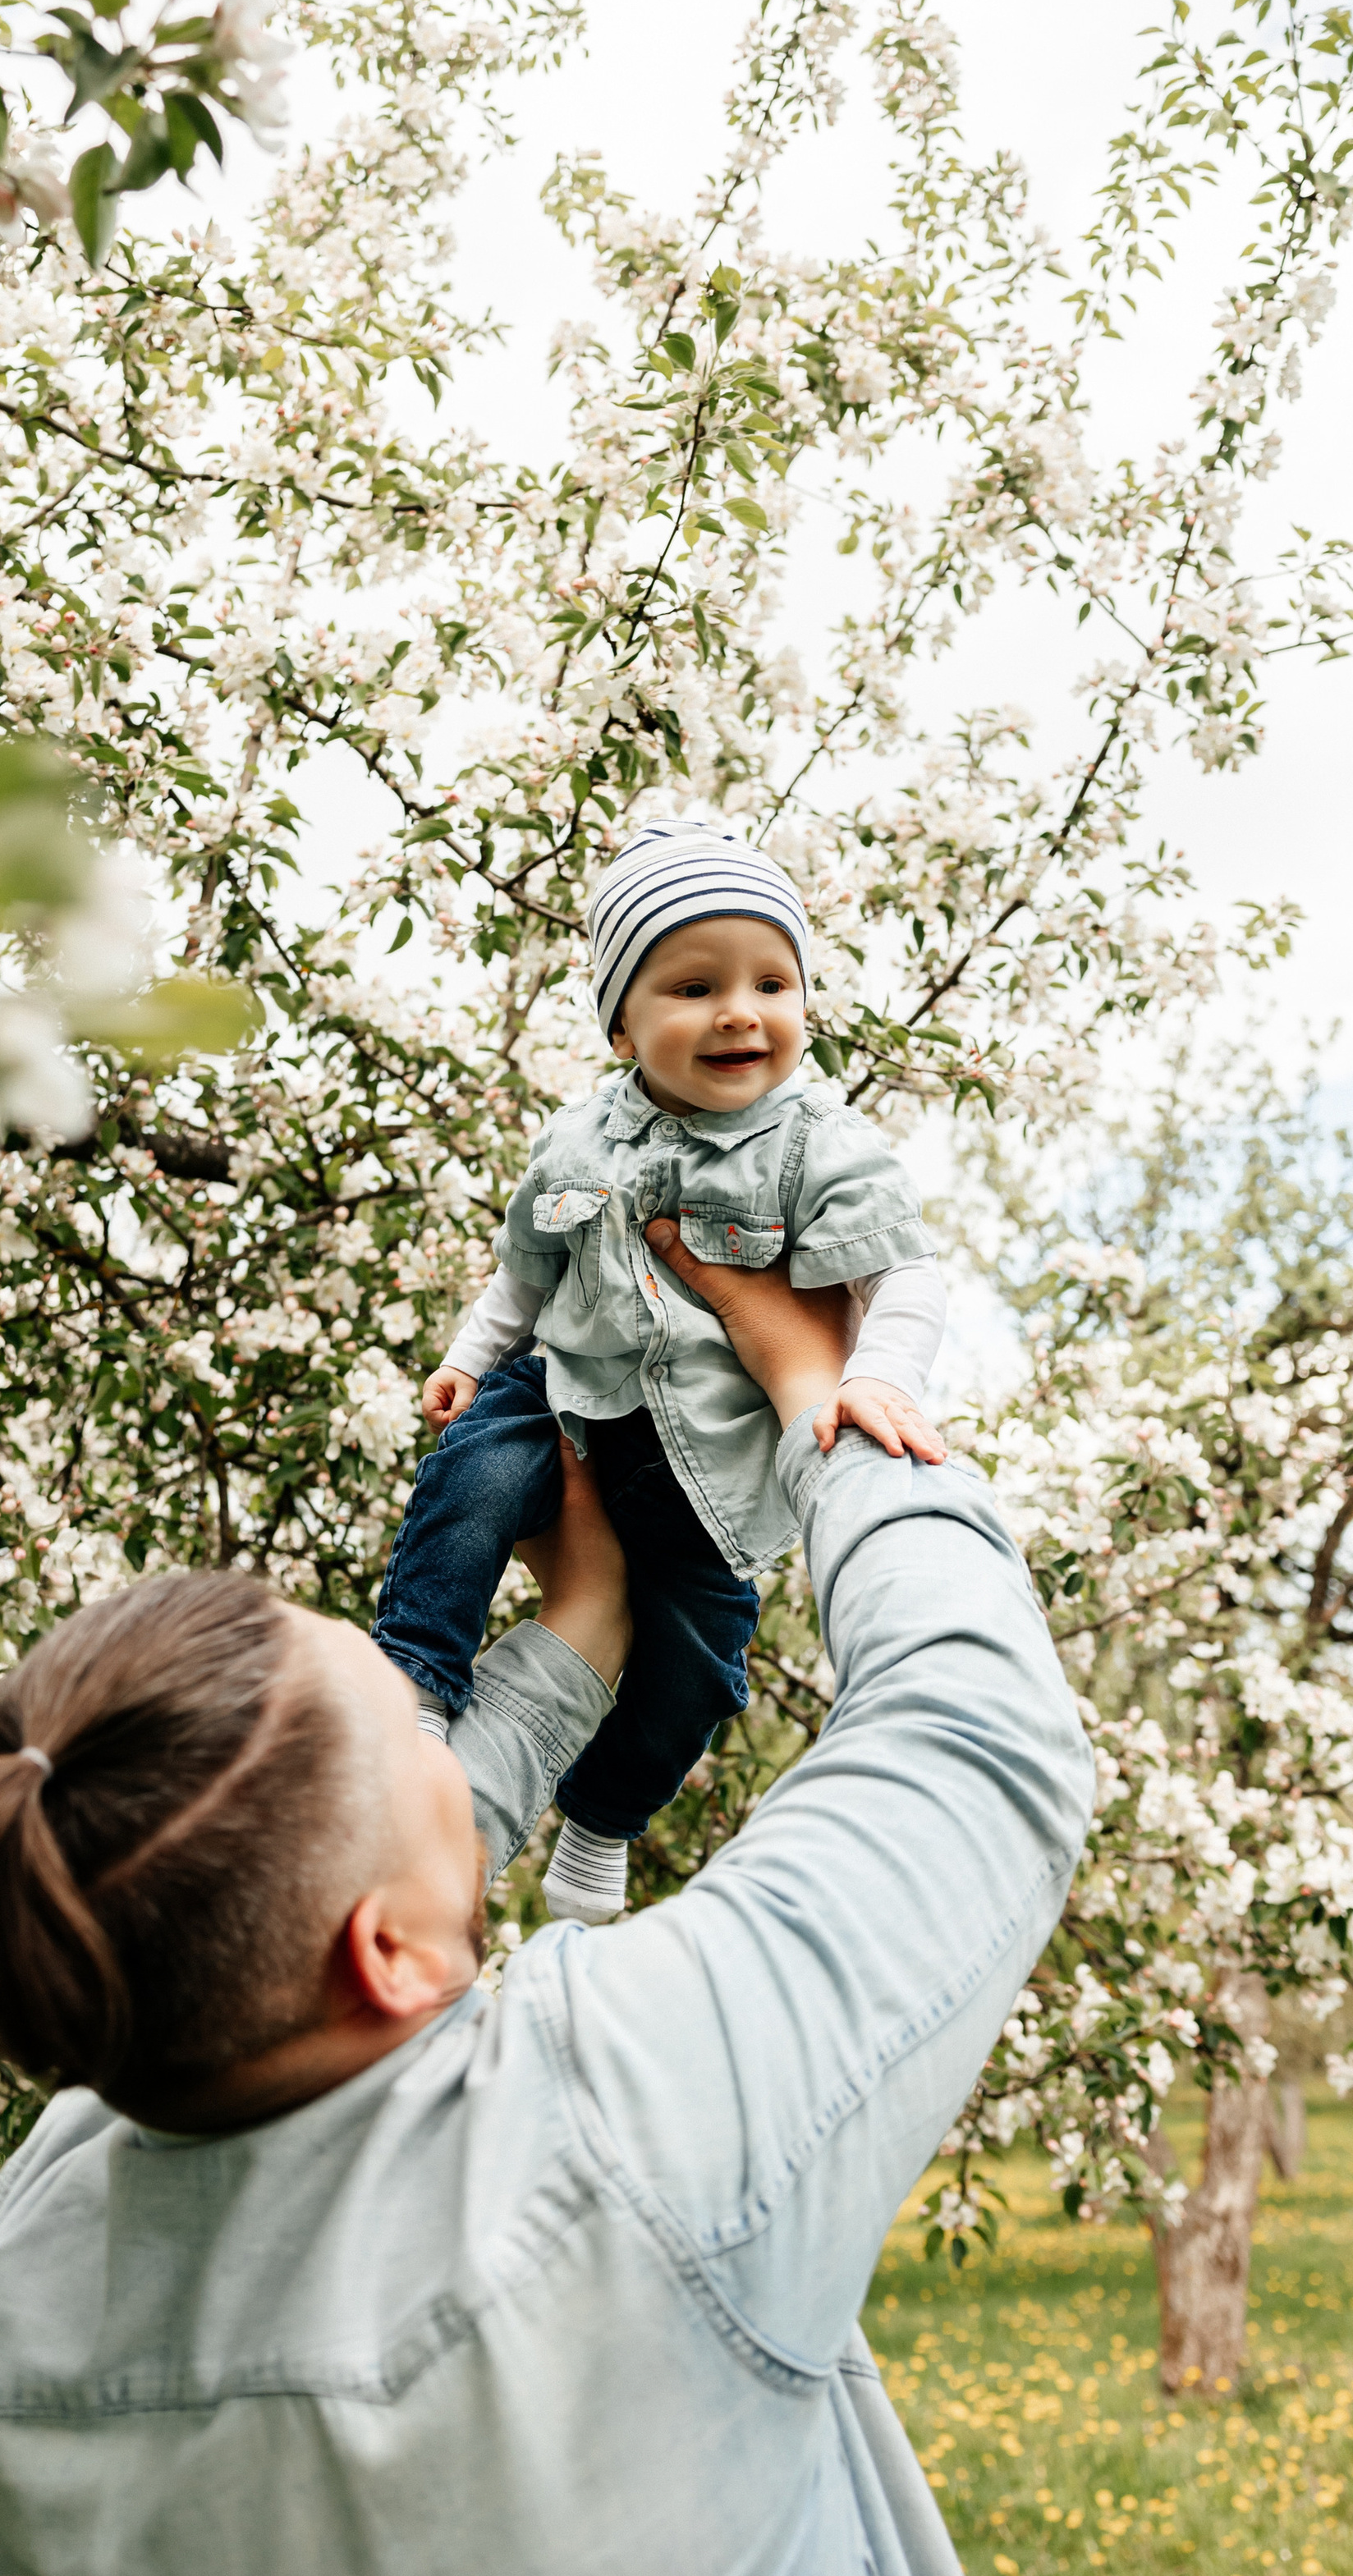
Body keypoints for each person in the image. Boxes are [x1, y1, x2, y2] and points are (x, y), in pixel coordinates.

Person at [0, 1226, 1094, 2576]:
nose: (446, 1753)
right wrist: (827, 1393)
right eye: (412, 1731)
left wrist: (572, 1639)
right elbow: (979, 1736)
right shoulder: (620, 2136)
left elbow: (287, 1906)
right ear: (381, 1953)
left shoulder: (41, 2243)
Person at [373, 815, 951, 1926]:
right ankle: (416, 1685)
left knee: (697, 1676)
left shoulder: (820, 1142)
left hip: (716, 1463)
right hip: (563, 1394)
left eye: (772, 981)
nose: (741, 1011)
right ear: (622, 1025)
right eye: (693, 987)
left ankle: (602, 1819)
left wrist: (880, 1377)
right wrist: (467, 1362)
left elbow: (905, 1279)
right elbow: (525, 1277)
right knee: (468, 1487)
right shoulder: (576, 1139)